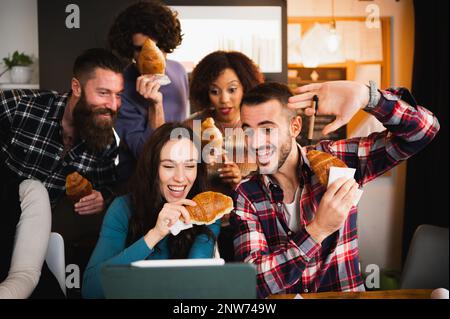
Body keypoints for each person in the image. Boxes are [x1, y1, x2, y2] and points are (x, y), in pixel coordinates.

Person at [230, 81, 440, 298]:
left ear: (295, 127)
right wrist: (318, 230)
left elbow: (424, 130)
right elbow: (252, 281)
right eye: (248, 132)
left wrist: (369, 97)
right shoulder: (246, 194)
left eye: (266, 129)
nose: (254, 143)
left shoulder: (337, 159)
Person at [1, 48, 125, 297]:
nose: (112, 105)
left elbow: (109, 188)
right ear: (76, 87)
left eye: (118, 95)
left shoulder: (106, 144)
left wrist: (103, 198)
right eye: (103, 93)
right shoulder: (18, 106)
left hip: (33, 241)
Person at [82, 122, 221, 299]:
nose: (180, 178)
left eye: (189, 166)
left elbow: (193, 282)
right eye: (169, 166)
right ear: (153, 169)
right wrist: (155, 235)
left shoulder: (206, 212)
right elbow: (91, 290)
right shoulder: (123, 208)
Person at [187, 50, 264, 261]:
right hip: (197, 228)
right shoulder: (191, 127)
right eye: (215, 91)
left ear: (245, 87)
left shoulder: (259, 128)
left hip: (247, 227)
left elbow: (273, 181)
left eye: (232, 89)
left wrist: (241, 181)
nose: (224, 99)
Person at [108, 0, 190, 187]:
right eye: (139, 48)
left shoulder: (178, 71)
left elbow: (181, 128)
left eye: (157, 46)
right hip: (139, 185)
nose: (150, 55)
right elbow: (147, 155)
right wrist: (155, 104)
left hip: (178, 180)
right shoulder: (120, 88)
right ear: (130, 49)